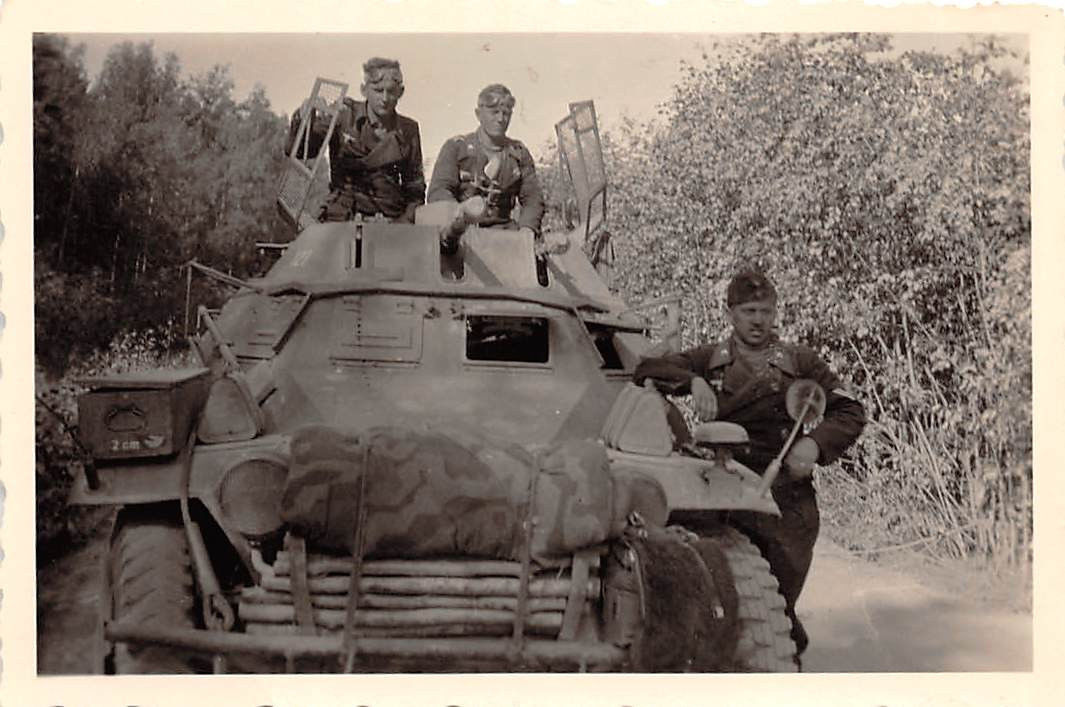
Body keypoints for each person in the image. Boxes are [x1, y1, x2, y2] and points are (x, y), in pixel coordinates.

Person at [632, 269, 865, 664]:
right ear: (730, 314)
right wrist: (694, 382)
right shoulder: (712, 359)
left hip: (785, 490)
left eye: (765, 310)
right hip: (727, 487)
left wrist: (812, 444)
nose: (757, 320)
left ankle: (777, 651)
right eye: (748, 310)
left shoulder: (800, 361)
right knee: (729, 586)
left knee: (778, 597)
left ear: (775, 313)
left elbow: (850, 410)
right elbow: (646, 369)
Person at [286, 57, 425, 223]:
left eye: (391, 91)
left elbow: (415, 191)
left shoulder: (409, 129)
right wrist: (302, 118)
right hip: (341, 217)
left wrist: (401, 225)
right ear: (364, 90)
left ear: (401, 92)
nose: (385, 98)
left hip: (389, 221)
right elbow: (299, 151)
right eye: (378, 90)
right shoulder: (344, 114)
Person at [427, 84, 545, 243]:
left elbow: (532, 198)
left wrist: (527, 229)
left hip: (504, 232)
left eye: (506, 113)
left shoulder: (518, 153)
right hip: (461, 232)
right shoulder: (457, 147)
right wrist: (458, 216)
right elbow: (439, 191)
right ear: (478, 114)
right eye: (494, 112)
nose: (501, 119)